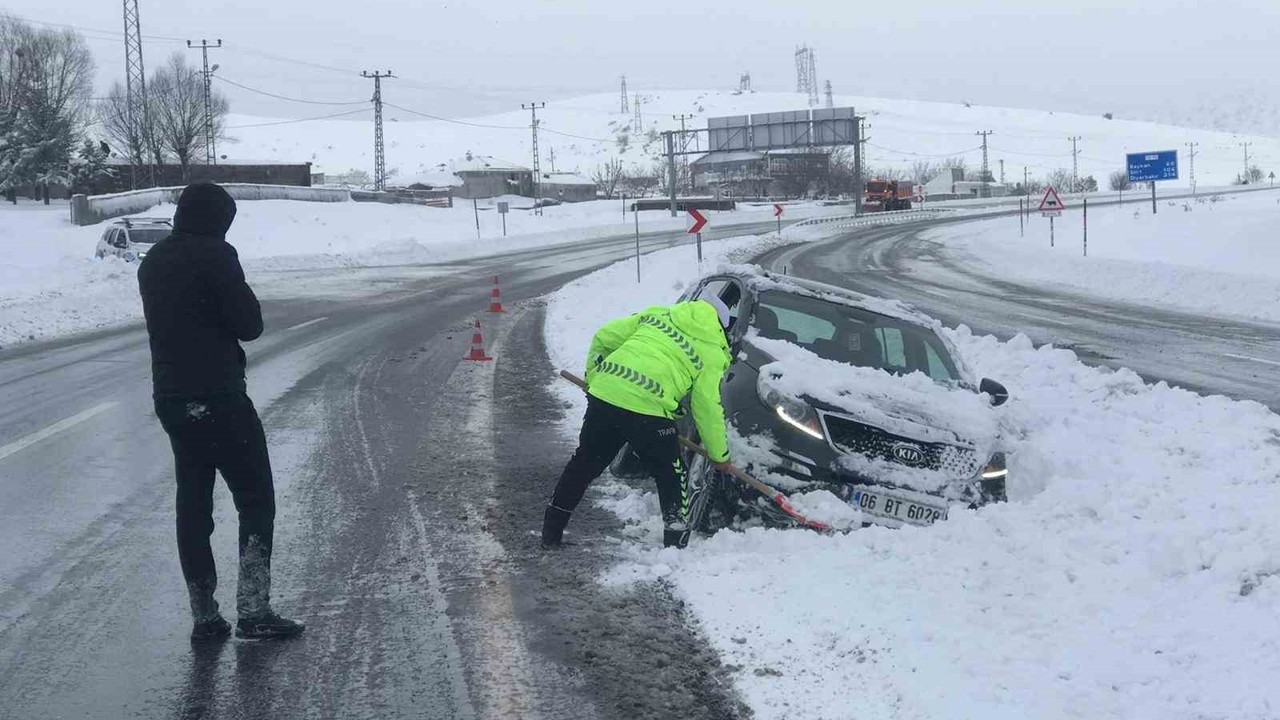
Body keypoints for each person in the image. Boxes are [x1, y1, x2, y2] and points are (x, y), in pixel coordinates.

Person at [138, 183, 304, 642]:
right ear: (219, 219)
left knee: (193, 506)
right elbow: (249, 325)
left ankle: (204, 615)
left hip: (173, 400)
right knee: (255, 500)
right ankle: (254, 609)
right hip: (220, 397)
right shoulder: (216, 255)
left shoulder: (154, 261)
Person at [542, 297, 738, 549]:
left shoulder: (656, 317)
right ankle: (675, 545)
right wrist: (719, 455)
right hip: (650, 410)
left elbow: (604, 337)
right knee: (671, 474)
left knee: (584, 464)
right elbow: (707, 407)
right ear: (721, 326)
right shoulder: (712, 351)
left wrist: (594, 378)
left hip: (606, 396)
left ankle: (551, 534)